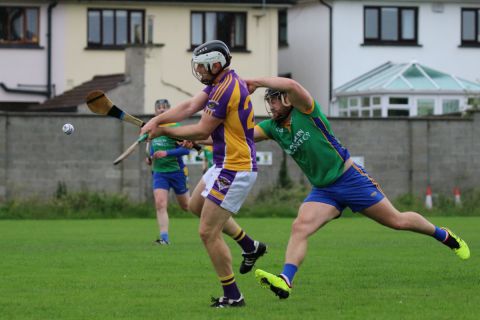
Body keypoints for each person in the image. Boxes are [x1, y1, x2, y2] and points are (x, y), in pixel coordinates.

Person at [245, 76, 471, 299]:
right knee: (300, 227)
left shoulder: (306, 110)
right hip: (324, 191)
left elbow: (293, 84)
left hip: (351, 179)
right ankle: (285, 281)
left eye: (273, 100)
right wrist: (210, 127)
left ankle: (444, 235)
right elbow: (241, 136)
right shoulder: (273, 128)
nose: (271, 106)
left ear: (286, 99)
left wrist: (256, 81)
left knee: (397, 221)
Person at [140, 40, 266, 308]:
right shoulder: (218, 83)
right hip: (222, 163)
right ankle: (249, 245)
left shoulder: (226, 89)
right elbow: (187, 107)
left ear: (216, 65)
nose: (197, 70)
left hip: (236, 167)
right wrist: (157, 121)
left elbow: (201, 130)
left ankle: (234, 295)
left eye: (201, 66)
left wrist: (164, 131)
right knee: (195, 205)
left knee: (207, 232)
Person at [145, 99, 191, 245]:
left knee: (187, 206)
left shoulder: (176, 128)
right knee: (160, 203)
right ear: (155, 111)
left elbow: (185, 149)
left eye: (165, 108)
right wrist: (150, 158)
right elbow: (153, 149)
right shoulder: (152, 129)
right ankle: (164, 239)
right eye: (159, 108)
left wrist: (167, 153)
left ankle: (214, 219)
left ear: (170, 110)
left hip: (177, 172)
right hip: (159, 173)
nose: (161, 110)